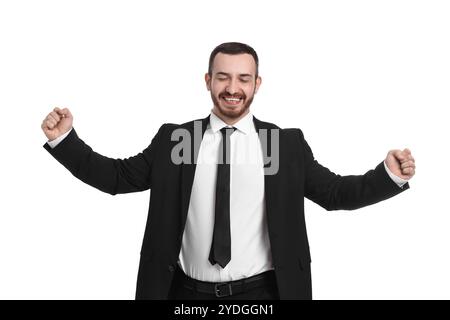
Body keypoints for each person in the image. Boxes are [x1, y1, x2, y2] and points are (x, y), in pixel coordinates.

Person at [41, 42, 416, 300]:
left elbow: (334, 194)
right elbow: (117, 178)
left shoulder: (279, 143)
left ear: (257, 84)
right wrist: (65, 141)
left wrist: (387, 176)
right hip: (186, 293)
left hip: (263, 293)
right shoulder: (178, 140)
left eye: (243, 78)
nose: (232, 88)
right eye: (223, 77)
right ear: (208, 81)